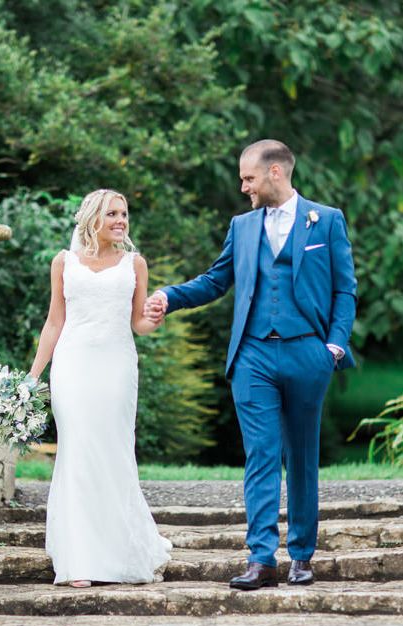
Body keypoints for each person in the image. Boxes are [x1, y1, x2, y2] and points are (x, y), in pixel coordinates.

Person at [145, 139, 357, 590]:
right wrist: (169, 296)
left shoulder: (327, 220)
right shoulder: (242, 226)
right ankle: (262, 558)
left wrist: (333, 348)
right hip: (253, 355)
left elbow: (345, 291)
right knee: (262, 455)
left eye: (249, 178)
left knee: (301, 456)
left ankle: (301, 555)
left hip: (308, 352)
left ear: (275, 172)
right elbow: (216, 280)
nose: (244, 187)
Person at [29, 189, 173, 588]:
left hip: (116, 366)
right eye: (112, 213)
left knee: (112, 450)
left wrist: (153, 319)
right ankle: (78, 559)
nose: (120, 220)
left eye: (124, 214)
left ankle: (119, 550)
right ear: (93, 217)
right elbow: (54, 322)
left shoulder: (135, 264)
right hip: (72, 366)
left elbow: (137, 323)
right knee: (76, 451)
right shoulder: (64, 262)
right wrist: (33, 376)